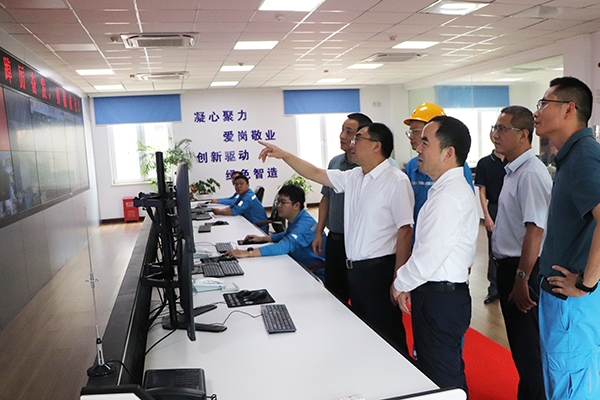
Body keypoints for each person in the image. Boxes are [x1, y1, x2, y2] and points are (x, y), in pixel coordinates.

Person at [258, 122, 414, 357]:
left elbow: (405, 230)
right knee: (364, 331)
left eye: (358, 138)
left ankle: (404, 375)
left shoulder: (396, 180)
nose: (352, 143)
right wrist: (284, 155)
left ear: (376, 146)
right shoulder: (354, 176)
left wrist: (399, 276)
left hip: (379, 271)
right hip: (354, 270)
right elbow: (316, 173)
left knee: (387, 333)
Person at [392, 116, 478, 394]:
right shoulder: (445, 190)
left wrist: (400, 283)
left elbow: (429, 255)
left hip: (441, 300)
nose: (418, 148)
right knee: (440, 373)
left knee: (443, 381)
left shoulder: (449, 197)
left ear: (448, 153)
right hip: (438, 296)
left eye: (425, 142)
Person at [534, 76, 600, 400]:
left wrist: (586, 284)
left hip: (572, 303)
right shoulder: (572, 156)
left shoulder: (585, 156)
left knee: (572, 389)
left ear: (568, 109)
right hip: (561, 301)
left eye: (544, 103)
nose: (537, 112)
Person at [490, 106, 551, 400]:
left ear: (524, 135)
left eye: (503, 129)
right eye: (495, 128)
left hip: (524, 268)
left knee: (529, 349)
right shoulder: (514, 171)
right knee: (521, 346)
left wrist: (522, 277)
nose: (495, 134)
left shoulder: (531, 173)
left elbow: (535, 230)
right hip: (511, 267)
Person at [312, 112, 372, 304]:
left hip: (361, 244)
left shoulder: (373, 169)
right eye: (342, 130)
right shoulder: (335, 163)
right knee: (334, 294)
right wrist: (319, 232)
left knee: (361, 296)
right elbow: (326, 198)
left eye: (348, 132)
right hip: (336, 239)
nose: (342, 136)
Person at [227, 184, 326, 280]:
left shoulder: (304, 224)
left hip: (311, 273)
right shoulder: (298, 217)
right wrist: (263, 238)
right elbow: (287, 234)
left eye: (283, 202)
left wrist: (247, 253)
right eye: (278, 202)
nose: (278, 206)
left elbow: (284, 246)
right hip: (295, 264)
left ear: (296, 205)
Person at [403, 103, 474, 233]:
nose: (411, 136)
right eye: (410, 131)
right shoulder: (413, 165)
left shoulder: (458, 167)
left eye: (415, 131)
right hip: (418, 236)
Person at [475, 141, 507, 304]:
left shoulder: (513, 161)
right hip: (494, 208)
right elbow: (482, 191)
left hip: (512, 208)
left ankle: (510, 287)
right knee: (494, 249)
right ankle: (494, 289)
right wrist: (487, 216)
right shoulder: (484, 163)